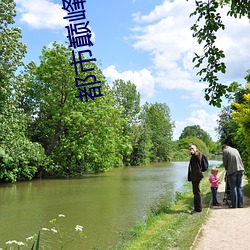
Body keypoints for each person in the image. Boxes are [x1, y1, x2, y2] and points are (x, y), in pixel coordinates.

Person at [188, 143, 204, 214]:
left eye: (192, 148)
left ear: (195, 148)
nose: (191, 150)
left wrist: (194, 152)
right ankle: (197, 208)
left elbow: (198, 158)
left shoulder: (198, 154)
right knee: (196, 192)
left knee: (196, 192)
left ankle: (198, 209)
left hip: (196, 176)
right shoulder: (194, 155)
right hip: (195, 176)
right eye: (190, 149)